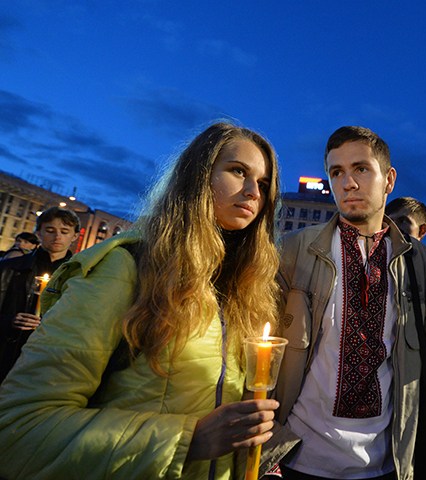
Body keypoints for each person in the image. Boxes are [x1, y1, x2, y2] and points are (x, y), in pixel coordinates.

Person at [0, 122, 282, 479]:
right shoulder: (125, 268)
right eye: (238, 171)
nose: (253, 191)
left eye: (264, 183)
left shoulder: (243, 287)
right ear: (197, 176)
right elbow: (19, 429)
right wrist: (186, 441)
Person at [261, 126, 426, 479]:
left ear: (389, 179)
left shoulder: (415, 258)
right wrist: (265, 452)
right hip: (298, 459)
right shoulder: (295, 250)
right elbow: (257, 349)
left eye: (361, 169)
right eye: (337, 172)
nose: (348, 183)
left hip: (384, 463)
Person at [0, 207, 80, 382]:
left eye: (64, 231)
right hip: (8, 349)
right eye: (50, 230)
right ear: (39, 233)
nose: (57, 237)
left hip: (47, 359)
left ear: (74, 236)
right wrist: (10, 320)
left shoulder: (79, 276)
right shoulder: (10, 267)